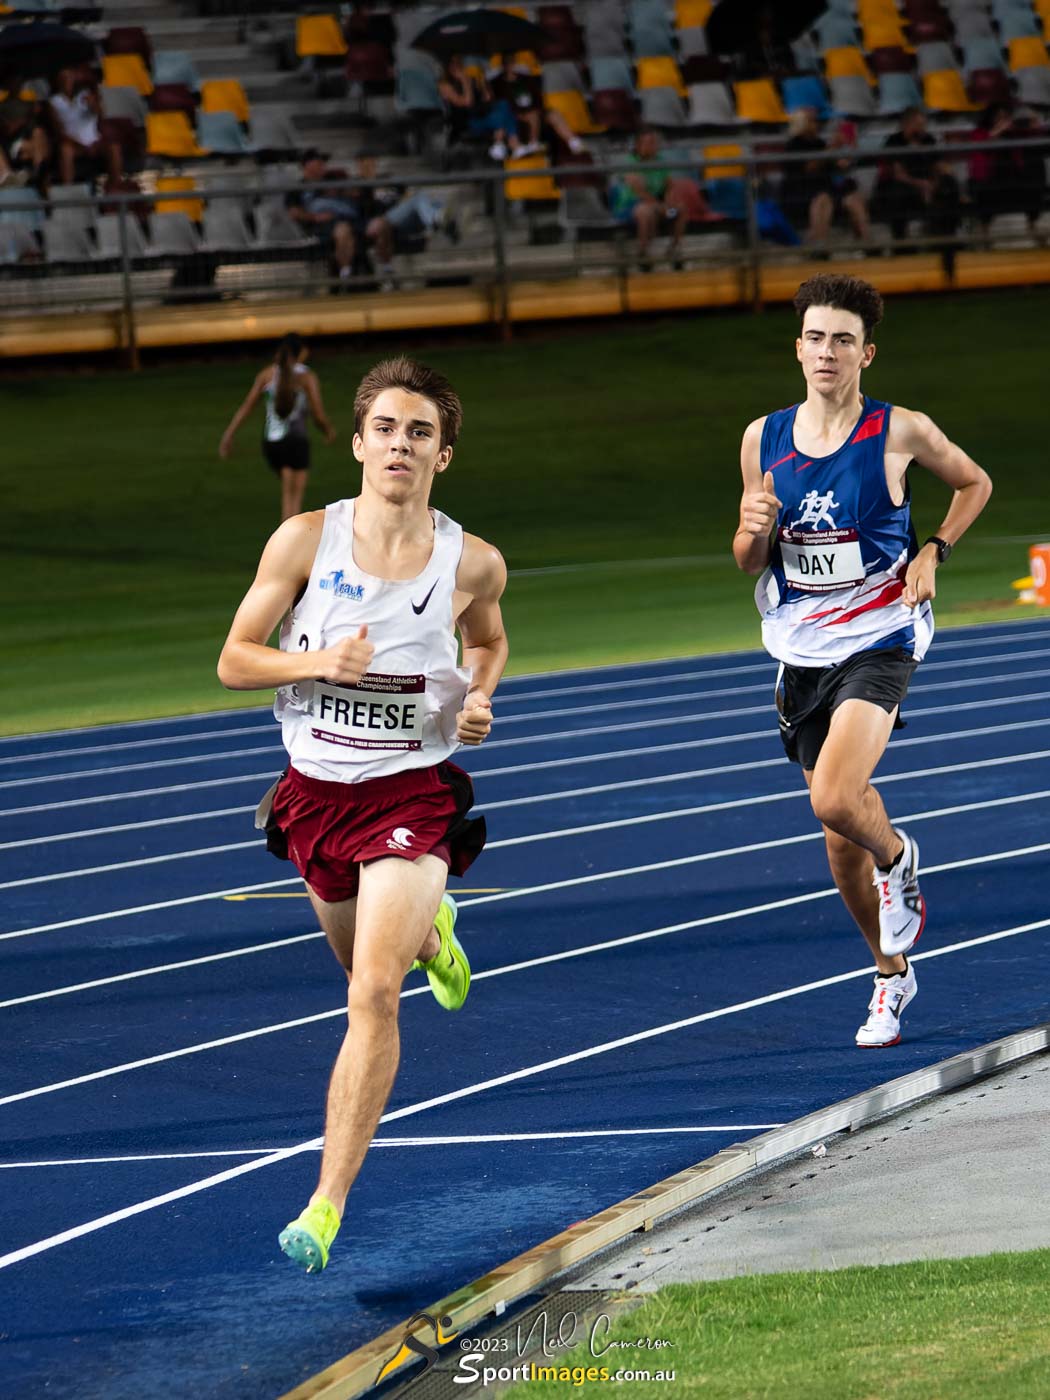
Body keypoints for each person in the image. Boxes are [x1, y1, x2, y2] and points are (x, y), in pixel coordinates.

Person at [216, 356, 508, 1272]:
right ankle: (435, 934)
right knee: (360, 959)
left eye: (419, 432)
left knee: (370, 994)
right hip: (315, 796)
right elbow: (233, 659)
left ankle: (325, 1202)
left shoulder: (474, 560)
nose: (400, 445)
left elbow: (488, 641)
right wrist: (316, 667)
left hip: (412, 795)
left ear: (443, 456)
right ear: (357, 442)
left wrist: (479, 698)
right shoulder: (305, 542)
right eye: (386, 428)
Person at [733, 274, 992, 1049]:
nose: (826, 352)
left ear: (865, 353)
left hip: (881, 634)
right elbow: (750, 560)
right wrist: (751, 529)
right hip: (800, 647)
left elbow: (975, 482)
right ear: (799, 347)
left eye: (843, 340)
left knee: (837, 799)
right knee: (838, 843)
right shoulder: (763, 438)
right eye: (815, 337)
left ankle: (901, 854)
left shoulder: (899, 430)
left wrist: (935, 550)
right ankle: (889, 976)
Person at [218, 333, 336, 521]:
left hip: (271, 444)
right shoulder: (306, 377)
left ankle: (285, 543)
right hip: (296, 442)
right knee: (292, 507)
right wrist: (328, 430)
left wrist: (228, 435)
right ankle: (288, 546)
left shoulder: (266, 375)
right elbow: (318, 414)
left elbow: (247, 406)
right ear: (302, 352)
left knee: (287, 494)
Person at [610, 127, 710, 268]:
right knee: (645, 211)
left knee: (679, 210)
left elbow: (669, 186)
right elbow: (640, 192)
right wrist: (660, 206)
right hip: (630, 209)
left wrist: (668, 203)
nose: (654, 146)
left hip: (660, 209)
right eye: (649, 143)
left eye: (655, 142)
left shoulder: (660, 161)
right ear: (639, 145)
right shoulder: (629, 163)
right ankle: (643, 254)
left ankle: (673, 250)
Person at [873, 107, 960, 255]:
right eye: (919, 125)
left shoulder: (928, 140)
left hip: (927, 184)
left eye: (923, 125)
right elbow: (898, 174)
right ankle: (901, 245)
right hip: (903, 185)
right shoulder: (894, 141)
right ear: (907, 124)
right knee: (898, 192)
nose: (922, 128)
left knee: (948, 186)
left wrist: (936, 182)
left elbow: (937, 165)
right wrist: (922, 185)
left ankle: (945, 241)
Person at [287, 150, 359, 286]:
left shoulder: (333, 180)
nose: (323, 165)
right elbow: (294, 212)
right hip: (316, 227)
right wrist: (315, 217)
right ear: (307, 165)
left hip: (343, 220)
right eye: (318, 162)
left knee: (345, 230)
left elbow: (354, 193)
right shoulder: (297, 188)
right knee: (343, 230)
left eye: (323, 162)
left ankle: (345, 275)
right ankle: (346, 276)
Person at [49, 68, 122, 187]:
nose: (67, 80)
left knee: (114, 146)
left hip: (95, 141)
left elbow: (101, 114)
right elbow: (58, 130)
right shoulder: (54, 102)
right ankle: (69, 189)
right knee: (65, 150)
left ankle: (116, 185)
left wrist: (93, 103)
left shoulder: (85, 94)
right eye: (63, 77)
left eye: (69, 77)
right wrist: (79, 144)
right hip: (73, 143)